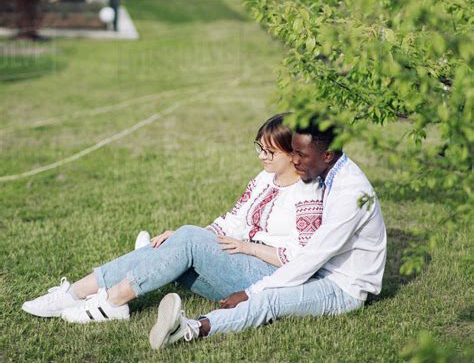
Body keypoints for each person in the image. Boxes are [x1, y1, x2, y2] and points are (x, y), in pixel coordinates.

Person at [22, 113, 323, 323]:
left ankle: (113, 301)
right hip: (239, 264)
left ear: (293, 153)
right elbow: (231, 220)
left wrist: (249, 248)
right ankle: (74, 292)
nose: (261, 157)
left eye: (270, 152)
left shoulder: (308, 193)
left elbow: (301, 258)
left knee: (185, 241)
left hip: (268, 279)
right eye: (260, 148)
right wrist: (188, 238)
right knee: (178, 245)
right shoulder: (264, 178)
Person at [147, 117, 387, 349]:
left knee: (268, 299)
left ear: (326, 155)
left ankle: (191, 328)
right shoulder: (330, 171)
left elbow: (311, 256)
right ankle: (155, 259)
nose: (294, 161)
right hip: (318, 271)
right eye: (293, 152)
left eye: (301, 155)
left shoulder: (350, 194)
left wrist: (251, 292)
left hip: (342, 287)